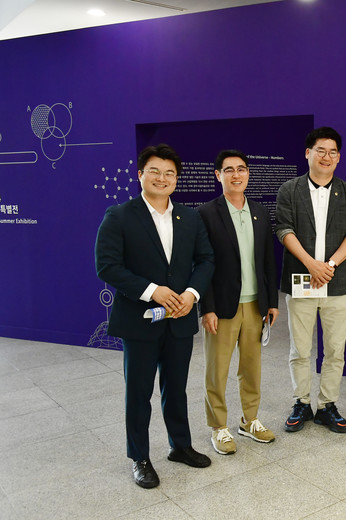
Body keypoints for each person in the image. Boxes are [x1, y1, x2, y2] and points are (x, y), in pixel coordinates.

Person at [95, 144, 215, 489]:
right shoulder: (119, 216)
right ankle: (140, 457)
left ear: (176, 179)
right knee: (139, 392)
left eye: (169, 173)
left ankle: (180, 446)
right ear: (140, 175)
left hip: (179, 318)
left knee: (176, 388)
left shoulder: (189, 217)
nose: (162, 178)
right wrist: (152, 290)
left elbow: (206, 260)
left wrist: (191, 295)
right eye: (155, 171)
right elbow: (107, 266)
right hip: (140, 320)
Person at [276, 127, 346, 433]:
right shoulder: (290, 189)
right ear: (307, 153)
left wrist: (330, 265)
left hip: (336, 282)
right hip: (302, 278)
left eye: (332, 152)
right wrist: (312, 264)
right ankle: (301, 401)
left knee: (335, 350)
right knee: (300, 349)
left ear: (338, 158)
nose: (326, 156)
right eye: (320, 150)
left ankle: (327, 405)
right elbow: (284, 229)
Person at [197, 150, 279, 455]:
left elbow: (268, 260)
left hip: (255, 304)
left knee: (251, 367)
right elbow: (201, 264)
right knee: (217, 370)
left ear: (248, 173)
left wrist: (271, 301)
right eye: (229, 169)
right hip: (222, 307)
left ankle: (250, 420)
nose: (236, 174)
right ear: (218, 175)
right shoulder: (206, 213)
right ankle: (219, 426)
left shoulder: (259, 211)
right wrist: (207, 307)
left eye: (241, 169)